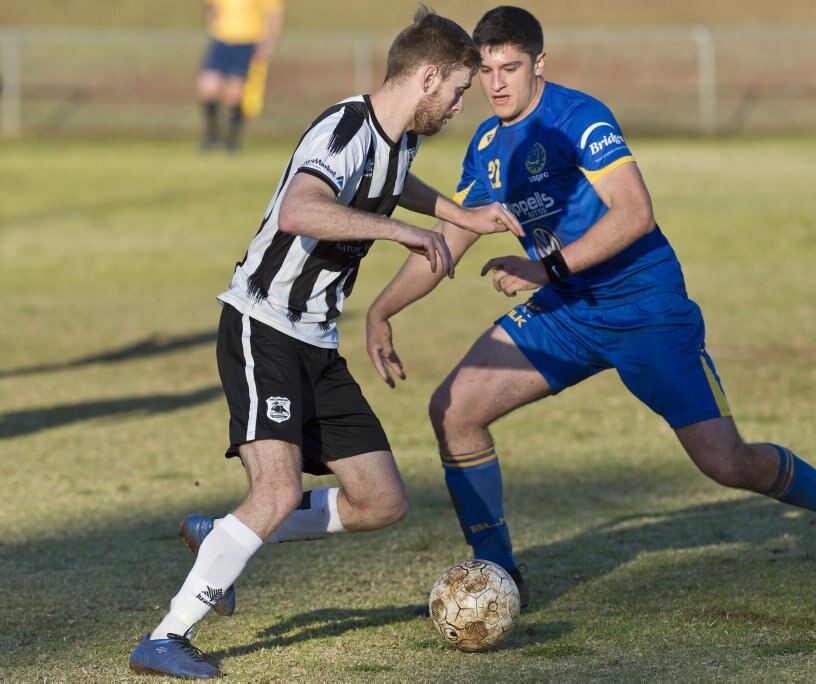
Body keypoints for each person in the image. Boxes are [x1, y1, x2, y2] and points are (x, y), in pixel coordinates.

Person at [366, 5, 816, 611]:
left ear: (539, 64)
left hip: (646, 310)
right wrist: (382, 309)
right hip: (567, 313)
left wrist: (543, 268)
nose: (496, 83)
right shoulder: (487, 145)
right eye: (487, 69)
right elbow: (451, 239)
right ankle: (500, 578)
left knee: (728, 464)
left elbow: (635, 213)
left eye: (511, 67)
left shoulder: (580, 116)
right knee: (454, 410)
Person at [129, 7, 523, 679]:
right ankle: (165, 637)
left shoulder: (400, 140)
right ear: (427, 78)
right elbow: (300, 208)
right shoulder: (342, 127)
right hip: (263, 327)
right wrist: (398, 233)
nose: (463, 103)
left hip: (316, 341)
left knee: (381, 501)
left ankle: (220, 536)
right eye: (459, 89)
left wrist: (461, 216)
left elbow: (392, 183)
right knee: (276, 492)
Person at [197, 0, 283, 152]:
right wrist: (213, 16)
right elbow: (210, 6)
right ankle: (211, 136)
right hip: (221, 41)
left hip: (248, 42)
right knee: (207, 87)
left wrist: (268, 44)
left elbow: (273, 14)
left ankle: (231, 140)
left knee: (235, 93)